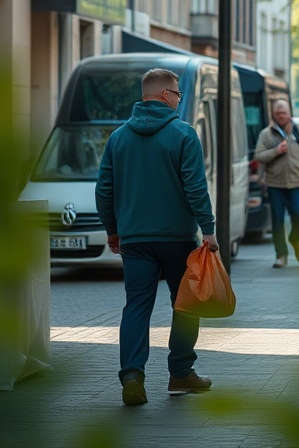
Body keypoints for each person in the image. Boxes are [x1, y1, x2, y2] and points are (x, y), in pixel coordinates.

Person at [95, 68, 218, 406]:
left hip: (134, 239)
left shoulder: (118, 137)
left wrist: (113, 230)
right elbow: (195, 186)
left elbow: (104, 189)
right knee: (186, 304)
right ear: (166, 95)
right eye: (177, 94)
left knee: (136, 305)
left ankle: (132, 375)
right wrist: (208, 230)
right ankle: (181, 373)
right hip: (177, 238)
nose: (179, 99)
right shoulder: (183, 134)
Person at [254, 99, 299, 269]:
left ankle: (295, 241)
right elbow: (258, 156)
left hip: (296, 183)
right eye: (278, 113)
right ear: (273, 115)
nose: (281, 116)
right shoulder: (266, 134)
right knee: (277, 220)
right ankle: (281, 255)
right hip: (275, 185)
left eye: (284, 113)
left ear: (289, 114)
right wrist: (276, 151)